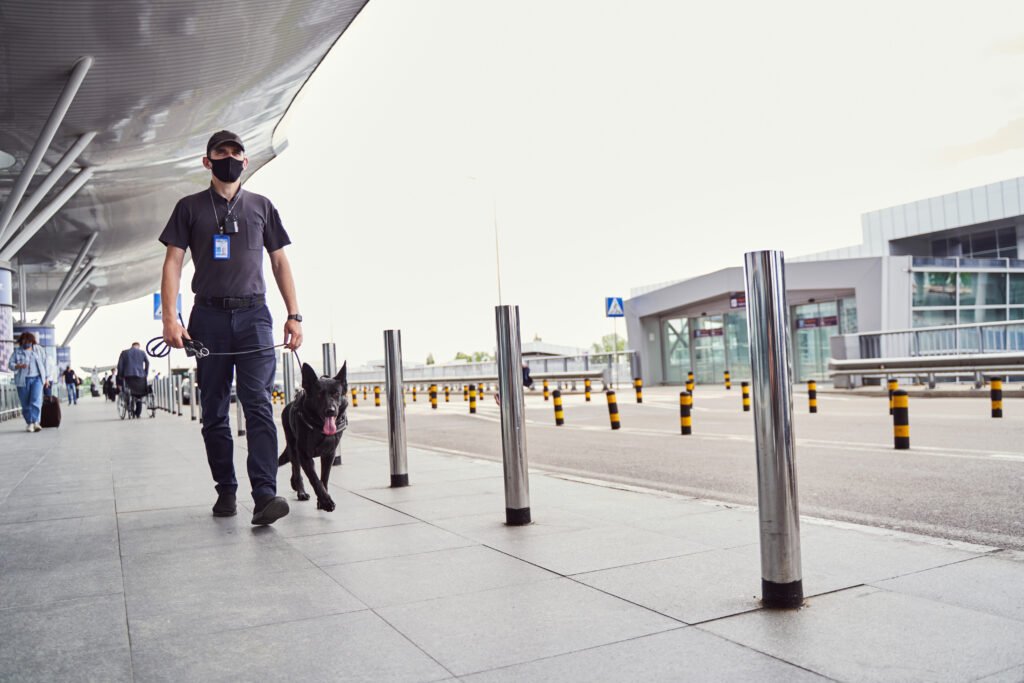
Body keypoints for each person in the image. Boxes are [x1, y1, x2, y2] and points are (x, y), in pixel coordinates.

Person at [158, 130, 302, 526]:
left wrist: (294, 313)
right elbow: (172, 262)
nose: (230, 157)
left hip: (255, 317)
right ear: (207, 162)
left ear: (246, 161)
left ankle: (265, 495)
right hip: (208, 320)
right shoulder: (189, 208)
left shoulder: (261, 206)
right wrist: (171, 318)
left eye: (236, 152)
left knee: (257, 402)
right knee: (215, 411)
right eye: (221, 152)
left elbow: (279, 263)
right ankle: (226, 488)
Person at [7, 332, 52, 432]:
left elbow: (46, 363)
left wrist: (47, 378)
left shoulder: (39, 350)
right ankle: (30, 423)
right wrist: (18, 366)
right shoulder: (17, 352)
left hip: (37, 379)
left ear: (32, 341)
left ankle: (36, 422)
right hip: (22, 380)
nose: (26, 343)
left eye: (28, 341)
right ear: (21, 342)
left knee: (35, 400)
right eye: (24, 341)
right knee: (25, 403)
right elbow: (10, 364)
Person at [116, 342, 150, 418]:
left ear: (132, 346)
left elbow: (120, 365)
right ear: (138, 346)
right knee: (139, 394)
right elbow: (147, 363)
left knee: (128, 392)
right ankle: (138, 413)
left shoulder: (124, 353)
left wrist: (120, 376)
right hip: (140, 376)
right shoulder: (142, 352)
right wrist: (145, 373)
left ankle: (129, 407)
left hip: (128, 376)